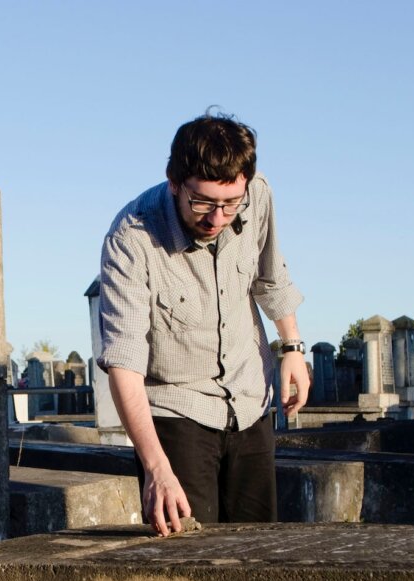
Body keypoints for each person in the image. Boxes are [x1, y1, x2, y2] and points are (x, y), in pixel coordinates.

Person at [97, 111, 308, 536]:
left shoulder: (258, 194)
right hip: (177, 412)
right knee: (189, 560)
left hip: (250, 401)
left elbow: (271, 275)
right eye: (203, 203)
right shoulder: (131, 239)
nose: (217, 218)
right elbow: (124, 362)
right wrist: (156, 467)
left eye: (230, 204)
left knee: (260, 553)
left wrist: (292, 347)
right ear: (174, 181)